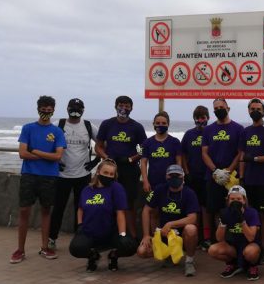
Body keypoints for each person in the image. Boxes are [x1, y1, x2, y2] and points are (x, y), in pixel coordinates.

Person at [10, 96, 66, 263]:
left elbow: (58, 156)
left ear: (53, 110)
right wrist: (46, 156)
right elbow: (22, 153)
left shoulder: (57, 131)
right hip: (29, 175)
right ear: (38, 109)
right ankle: (20, 250)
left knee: (46, 211)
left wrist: (34, 151)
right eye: (43, 109)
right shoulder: (28, 128)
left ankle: (45, 247)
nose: (46, 112)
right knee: (24, 211)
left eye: (49, 110)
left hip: (49, 176)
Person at [49, 98, 99, 251]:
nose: (75, 110)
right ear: (67, 108)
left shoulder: (89, 126)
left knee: (81, 208)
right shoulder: (58, 124)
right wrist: (54, 162)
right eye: (72, 107)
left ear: (83, 110)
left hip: (83, 175)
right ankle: (52, 239)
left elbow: (103, 144)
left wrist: (95, 161)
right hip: (61, 175)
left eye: (78, 107)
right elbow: (47, 143)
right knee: (58, 208)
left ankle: (79, 238)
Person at [69, 159, 137, 271]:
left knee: (129, 246)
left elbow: (120, 212)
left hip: (111, 232)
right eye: (105, 173)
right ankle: (93, 256)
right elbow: (80, 209)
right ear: (98, 172)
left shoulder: (117, 188)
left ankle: (113, 255)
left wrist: (122, 234)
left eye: (111, 174)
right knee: (75, 248)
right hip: (90, 232)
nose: (108, 176)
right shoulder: (87, 190)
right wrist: (80, 225)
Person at [95, 96, 147, 238]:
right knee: (107, 200)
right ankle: (107, 234)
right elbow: (98, 147)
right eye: (121, 105)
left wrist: (131, 159)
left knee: (128, 203)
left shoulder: (137, 127)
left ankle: (132, 236)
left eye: (127, 106)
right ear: (115, 106)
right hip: (110, 170)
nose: (123, 108)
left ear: (131, 108)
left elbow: (144, 149)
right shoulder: (107, 124)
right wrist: (107, 158)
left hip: (129, 169)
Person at [137, 164, 200, 277]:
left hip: (182, 235)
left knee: (191, 229)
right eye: (171, 175)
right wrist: (146, 235)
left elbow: (193, 218)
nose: (174, 178)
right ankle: (168, 256)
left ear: (183, 177)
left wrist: (171, 224)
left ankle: (189, 261)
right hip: (164, 233)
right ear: (166, 177)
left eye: (177, 175)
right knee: (142, 251)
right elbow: (146, 210)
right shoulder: (159, 189)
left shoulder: (189, 193)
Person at [238, 98, 264, 260]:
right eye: (252, 109)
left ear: (263, 111)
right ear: (248, 111)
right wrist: (241, 177)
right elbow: (242, 157)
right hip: (248, 181)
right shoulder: (245, 132)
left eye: (258, 109)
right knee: (250, 214)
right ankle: (251, 246)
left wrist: (255, 159)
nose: (255, 111)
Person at [201, 98, 244, 239]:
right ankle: (218, 240)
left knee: (233, 209)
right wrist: (215, 171)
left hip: (231, 178)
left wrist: (228, 171)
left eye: (221, 107)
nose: (219, 110)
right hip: (213, 176)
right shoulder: (208, 130)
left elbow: (240, 153)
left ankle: (232, 240)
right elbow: (204, 153)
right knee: (215, 211)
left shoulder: (238, 129)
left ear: (228, 108)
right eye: (216, 108)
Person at [208, 186, 262, 281]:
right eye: (232, 199)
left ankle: (252, 266)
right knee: (213, 250)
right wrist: (222, 223)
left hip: (249, 244)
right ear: (228, 200)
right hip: (233, 245)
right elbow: (219, 239)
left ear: (244, 200)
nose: (235, 201)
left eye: (239, 199)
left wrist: (242, 220)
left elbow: (251, 238)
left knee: (250, 252)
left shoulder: (252, 212)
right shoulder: (225, 212)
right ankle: (233, 264)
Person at [181, 105, 211, 248]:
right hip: (192, 176)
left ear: (208, 118)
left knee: (206, 207)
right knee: (193, 207)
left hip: (207, 176)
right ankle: (195, 237)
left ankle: (206, 237)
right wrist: (186, 173)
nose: (200, 120)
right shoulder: (189, 134)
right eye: (197, 118)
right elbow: (183, 155)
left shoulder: (211, 132)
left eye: (203, 118)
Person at [140, 111, 182, 193]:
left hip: (171, 182)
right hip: (153, 183)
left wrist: (179, 179)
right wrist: (145, 181)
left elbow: (179, 162)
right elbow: (143, 163)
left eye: (164, 123)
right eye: (158, 123)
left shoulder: (175, 142)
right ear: (153, 124)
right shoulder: (147, 142)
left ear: (168, 124)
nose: (160, 125)